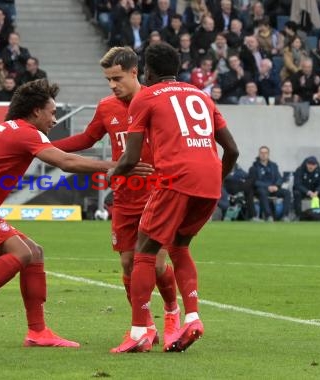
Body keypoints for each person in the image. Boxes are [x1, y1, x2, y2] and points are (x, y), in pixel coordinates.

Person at [0, 79, 116, 348]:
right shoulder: (25, 132)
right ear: (36, 112)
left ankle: (38, 332)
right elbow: (65, 162)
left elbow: (66, 150)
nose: (54, 119)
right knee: (20, 253)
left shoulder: (10, 129)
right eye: (52, 112)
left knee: (34, 253)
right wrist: (115, 165)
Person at [108, 43, 239, 353]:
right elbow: (232, 150)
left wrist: (113, 175)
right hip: (209, 183)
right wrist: (215, 180)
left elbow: (131, 155)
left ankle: (140, 330)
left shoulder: (146, 97)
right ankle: (192, 318)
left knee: (144, 250)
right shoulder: (201, 95)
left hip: (176, 179)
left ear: (147, 72)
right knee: (179, 247)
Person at [51, 46, 179, 350]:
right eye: (108, 79)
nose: (112, 85)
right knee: (127, 262)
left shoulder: (156, 102)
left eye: (117, 78)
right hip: (124, 196)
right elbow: (86, 139)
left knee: (155, 263)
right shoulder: (107, 107)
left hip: (157, 193)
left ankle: (172, 315)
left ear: (135, 72)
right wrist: (45, 145)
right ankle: (145, 326)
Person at [248, 146, 292, 222]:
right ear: (259, 154)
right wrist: (268, 186)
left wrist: (276, 186)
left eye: (265, 153)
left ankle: (285, 216)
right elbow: (254, 181)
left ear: (268, 154)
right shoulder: (254, 167)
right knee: (262, 192)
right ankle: (269, 216)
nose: (263, 154)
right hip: (262, 189)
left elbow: (279, 178)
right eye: (261, 153)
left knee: (287, 193)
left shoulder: (274, 166)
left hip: (274, 188)